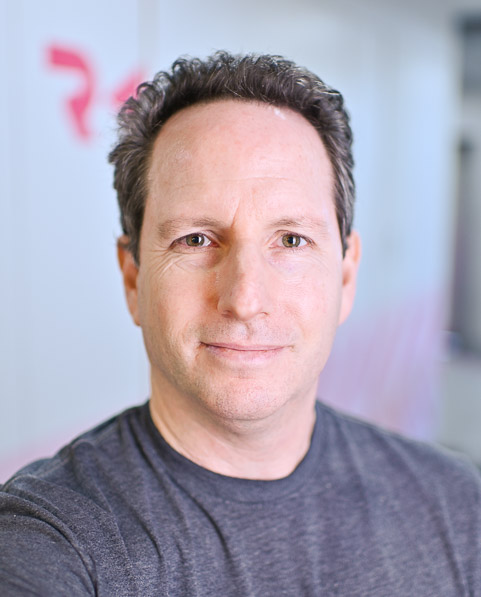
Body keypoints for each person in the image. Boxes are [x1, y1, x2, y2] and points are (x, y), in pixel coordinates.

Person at [1, 51, 480, 596]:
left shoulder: (457, 505)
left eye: (292, 240)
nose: (246, 299)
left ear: (345, 277)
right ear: (133, 278)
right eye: (197, 240)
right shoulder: (48, 541)